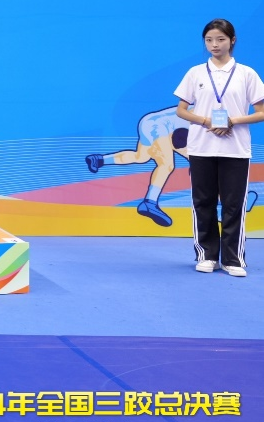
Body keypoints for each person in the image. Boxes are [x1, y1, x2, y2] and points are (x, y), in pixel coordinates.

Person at [173, 19, 264, 277]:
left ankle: (232, 259)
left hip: (235, 149)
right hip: (201, 147)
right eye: (209, 40)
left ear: (232, 41)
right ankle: (207, 255)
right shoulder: (195, 73)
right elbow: (181, 110)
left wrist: (233, 121)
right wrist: (206, 121)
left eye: (221, 39)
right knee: (203, 202)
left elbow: (261, 112)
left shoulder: (246, 74)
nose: (214, 45)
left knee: (234, 204)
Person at [84, 107, 190, 227]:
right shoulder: (202, 114)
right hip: (159, 126)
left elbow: (180, 143)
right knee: (166, 164)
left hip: (152, 123)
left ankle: (99, 160)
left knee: (141, 157)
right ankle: (150, 202)